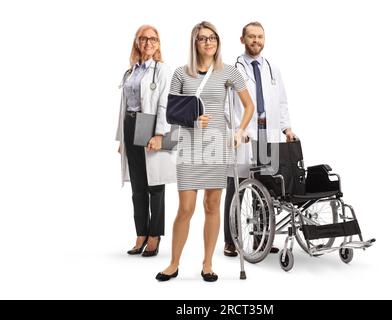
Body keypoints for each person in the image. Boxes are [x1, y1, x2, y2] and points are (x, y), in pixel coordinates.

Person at [156, 21, 254, 282]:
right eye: (202, 38)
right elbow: (171, 112)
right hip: (189, 144)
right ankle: (173, 263)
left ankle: (208, 264)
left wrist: (239, 131)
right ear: (194, 42)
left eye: (212, 38)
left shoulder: (228, 72)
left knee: (212, 205)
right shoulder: (180, 73)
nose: (208, 42)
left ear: (218, 42)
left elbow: (249, 106)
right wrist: (192, 119)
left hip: (216, 144)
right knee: (185, 209)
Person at [223, 21, 297, 257]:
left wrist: (286, 129)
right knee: (237, 187)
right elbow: (227, 105)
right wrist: (239, 128)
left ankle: (261, 239)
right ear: (242, 39)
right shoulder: (233, 70)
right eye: (251, 37)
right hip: (244, 135)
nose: (256, 41)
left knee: (266, 188)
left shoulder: (273, 68)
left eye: (260, 37)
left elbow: (282, 101)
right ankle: (231, 240)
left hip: (269, 133)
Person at [116, 25, 176, 257]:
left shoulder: (161, 70)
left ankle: (154, 235)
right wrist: (121, 137)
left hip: (150, 123)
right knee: (138, 185)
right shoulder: (131, 71)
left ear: (158, 44)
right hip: (132, 125)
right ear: (137, 43)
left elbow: (164, 103)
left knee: (155, 183)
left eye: (153, 39)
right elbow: (123, 106)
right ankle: (141, 232)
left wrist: (160, 134)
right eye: (143, 39)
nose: (148, 43)